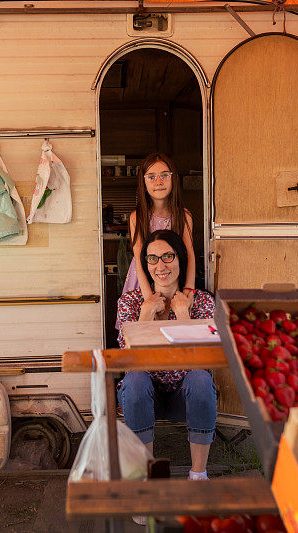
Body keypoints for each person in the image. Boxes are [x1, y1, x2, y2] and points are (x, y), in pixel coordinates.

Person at [116, 229, 216, 481]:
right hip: (145, 397)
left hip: (185, 397)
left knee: (201, 379)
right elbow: (127, 359)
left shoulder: (202, 302)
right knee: (135, 379)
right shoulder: (130, 302)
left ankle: (198, 474)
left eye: (168, 256)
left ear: (180, 259)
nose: (160, 265)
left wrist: (184, 316)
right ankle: (146, 478)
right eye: (152, 258)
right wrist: (145, 316)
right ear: (146, 264)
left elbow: (206, 359)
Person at [122, 153, 196, 300]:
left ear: (173, 179)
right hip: (142, 282)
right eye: (151, 177)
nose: (158, 181)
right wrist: (149, 297)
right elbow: (138, 258)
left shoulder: (184, 216)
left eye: (164, 175)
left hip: (172, 278)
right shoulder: (137, 217)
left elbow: (190, 255)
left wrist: (189, 289)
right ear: (144, 183)